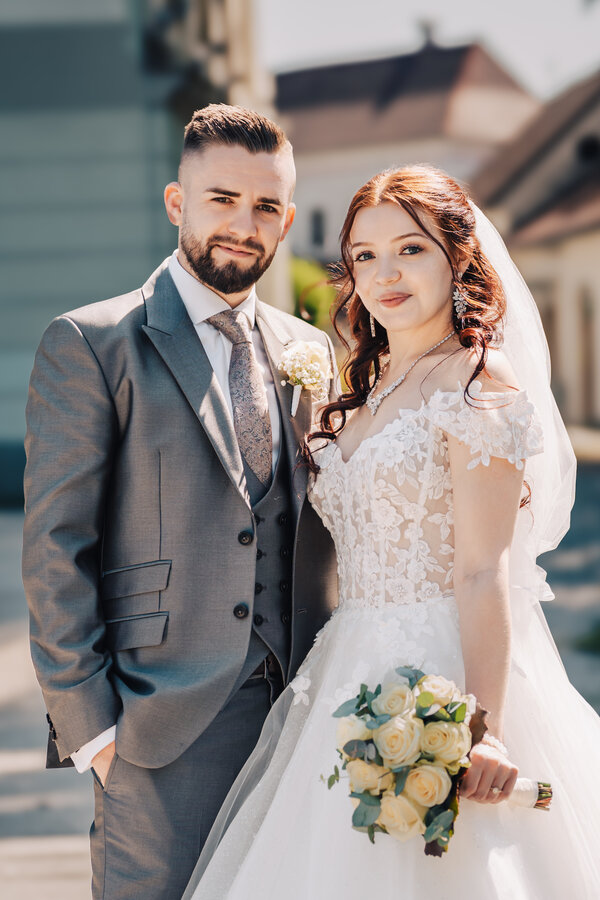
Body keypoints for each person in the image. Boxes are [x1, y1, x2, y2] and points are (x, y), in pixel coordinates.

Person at [184, 165, 600, 899]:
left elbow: (482, 569)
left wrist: (486, 727)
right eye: (366, 256)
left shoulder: (479, 384)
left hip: (449, 670)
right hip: (346, 669)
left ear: (457, 258)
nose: (385, 274)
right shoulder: (359, 387)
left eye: (411, 249)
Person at [22, 103, 338, 899]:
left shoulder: (311, 351)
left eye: (266, 206)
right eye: (221, 199)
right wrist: (92, 730)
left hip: (302, 714)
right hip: (158, 727)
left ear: (287, 218)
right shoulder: (93, 343)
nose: (244, 223)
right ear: (177, 203)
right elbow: (56, 548)